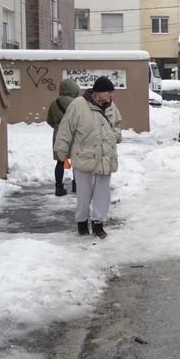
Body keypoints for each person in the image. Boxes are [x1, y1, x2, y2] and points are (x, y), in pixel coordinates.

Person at [53, 77, 122, 239]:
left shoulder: (112, 107)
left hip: (106, 155)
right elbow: (66, 128)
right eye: (109, 92)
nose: (111, 96)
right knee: (84, 192)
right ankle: (82, 222)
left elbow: (117, 124)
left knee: (103, 192)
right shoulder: (78, 105)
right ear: (98, 92)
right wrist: (61, 151)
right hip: (84, 154)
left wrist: (115, 135)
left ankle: (99, 223)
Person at [46, 79, 81, 197]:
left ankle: (59, 188)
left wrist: (57, 126)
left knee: (60, 161)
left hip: (59, 133)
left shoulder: (54, 103)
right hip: (74, 133)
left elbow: (49, 120)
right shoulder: (77, 103)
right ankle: (76, 185)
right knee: (76, 160)